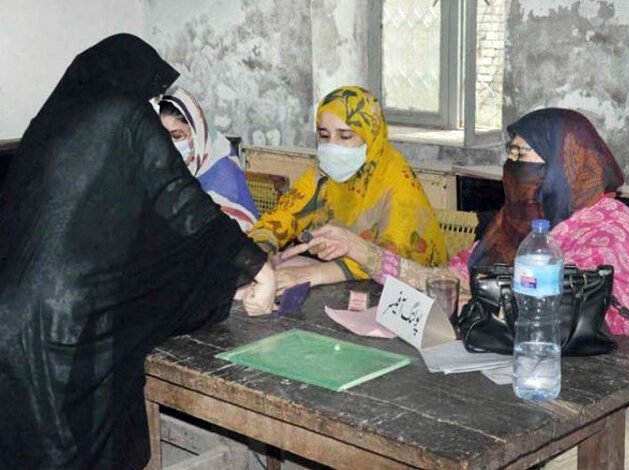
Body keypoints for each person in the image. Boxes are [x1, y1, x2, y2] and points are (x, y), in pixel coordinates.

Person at [0, 34, 275, 469]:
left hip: (10, 319)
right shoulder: (124, 115)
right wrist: (255, 266)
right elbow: (183, 205)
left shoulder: (50, 123)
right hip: (67, 328)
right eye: (151, 95)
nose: (151, 107)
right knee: (78, 447)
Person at [286, 108, 629, 337]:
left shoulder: (610, 230)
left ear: (565, 167)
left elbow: (572, 317)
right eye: (510, 155)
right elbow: (448, 280)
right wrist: (362, 251)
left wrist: (487, 296)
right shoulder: (516, 223)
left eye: (523, 156)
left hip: (604, 399)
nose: (513, 168)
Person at [249, 85, 446, 293]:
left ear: (371, 136)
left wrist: (310, 274)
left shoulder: (399, 184)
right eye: (324, 136)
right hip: (346, 287)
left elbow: (391, 262)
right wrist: (259, 257)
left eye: (345, 137)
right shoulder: (321, 174)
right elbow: (282, 218)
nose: (332, 147)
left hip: (412, 295)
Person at [159, 87, 259, 232]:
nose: (170, 144)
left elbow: (238, 232)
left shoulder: (223, 174)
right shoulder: (172, 168)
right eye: (164, 137)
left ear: (196, 133)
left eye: (177, 136)